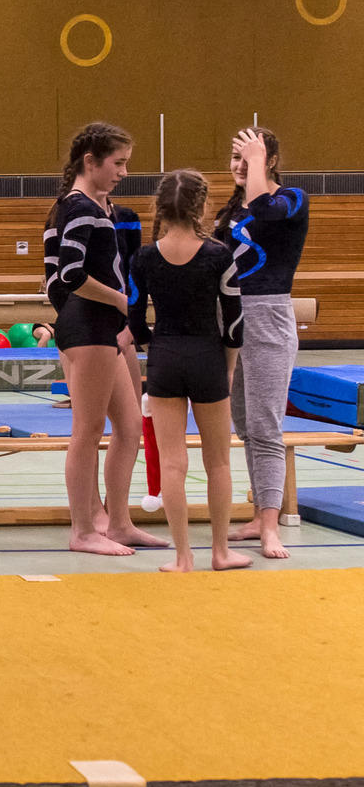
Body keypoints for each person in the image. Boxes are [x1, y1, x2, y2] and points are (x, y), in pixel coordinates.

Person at [43, 122, 166, 556]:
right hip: (88, 326)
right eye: (119, 163)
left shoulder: (90, 208)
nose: (124, 172)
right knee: (88, 430)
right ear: (90, 161)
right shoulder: (79, 208)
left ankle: (118, 522)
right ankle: (82, 530)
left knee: (130, 428)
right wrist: (121, 300)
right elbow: (68, 275)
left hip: (100, 326)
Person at [129, 169, 250, 572]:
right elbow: (234, 323)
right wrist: (227, 369)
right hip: (207, 358)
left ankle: (183, 557)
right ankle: (220, 552)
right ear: (201, 206)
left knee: (172, 463)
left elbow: (134, 321)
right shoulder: (219, 255)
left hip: (165, 357)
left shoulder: (144, 258)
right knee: (218, 463)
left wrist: (157, 349)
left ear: (160, 208)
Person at [215, 127, 309, 559]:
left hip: (268, 315)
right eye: (235, 157)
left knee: (266, 426)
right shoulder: (229, 211)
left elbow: (264, 210)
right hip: (229, 317)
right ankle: (258, 513)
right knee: (245, 425)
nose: (239, 165)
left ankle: (271, 526)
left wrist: (256, 160)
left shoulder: (291, 199)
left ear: (269, 161)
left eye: (249, 157)